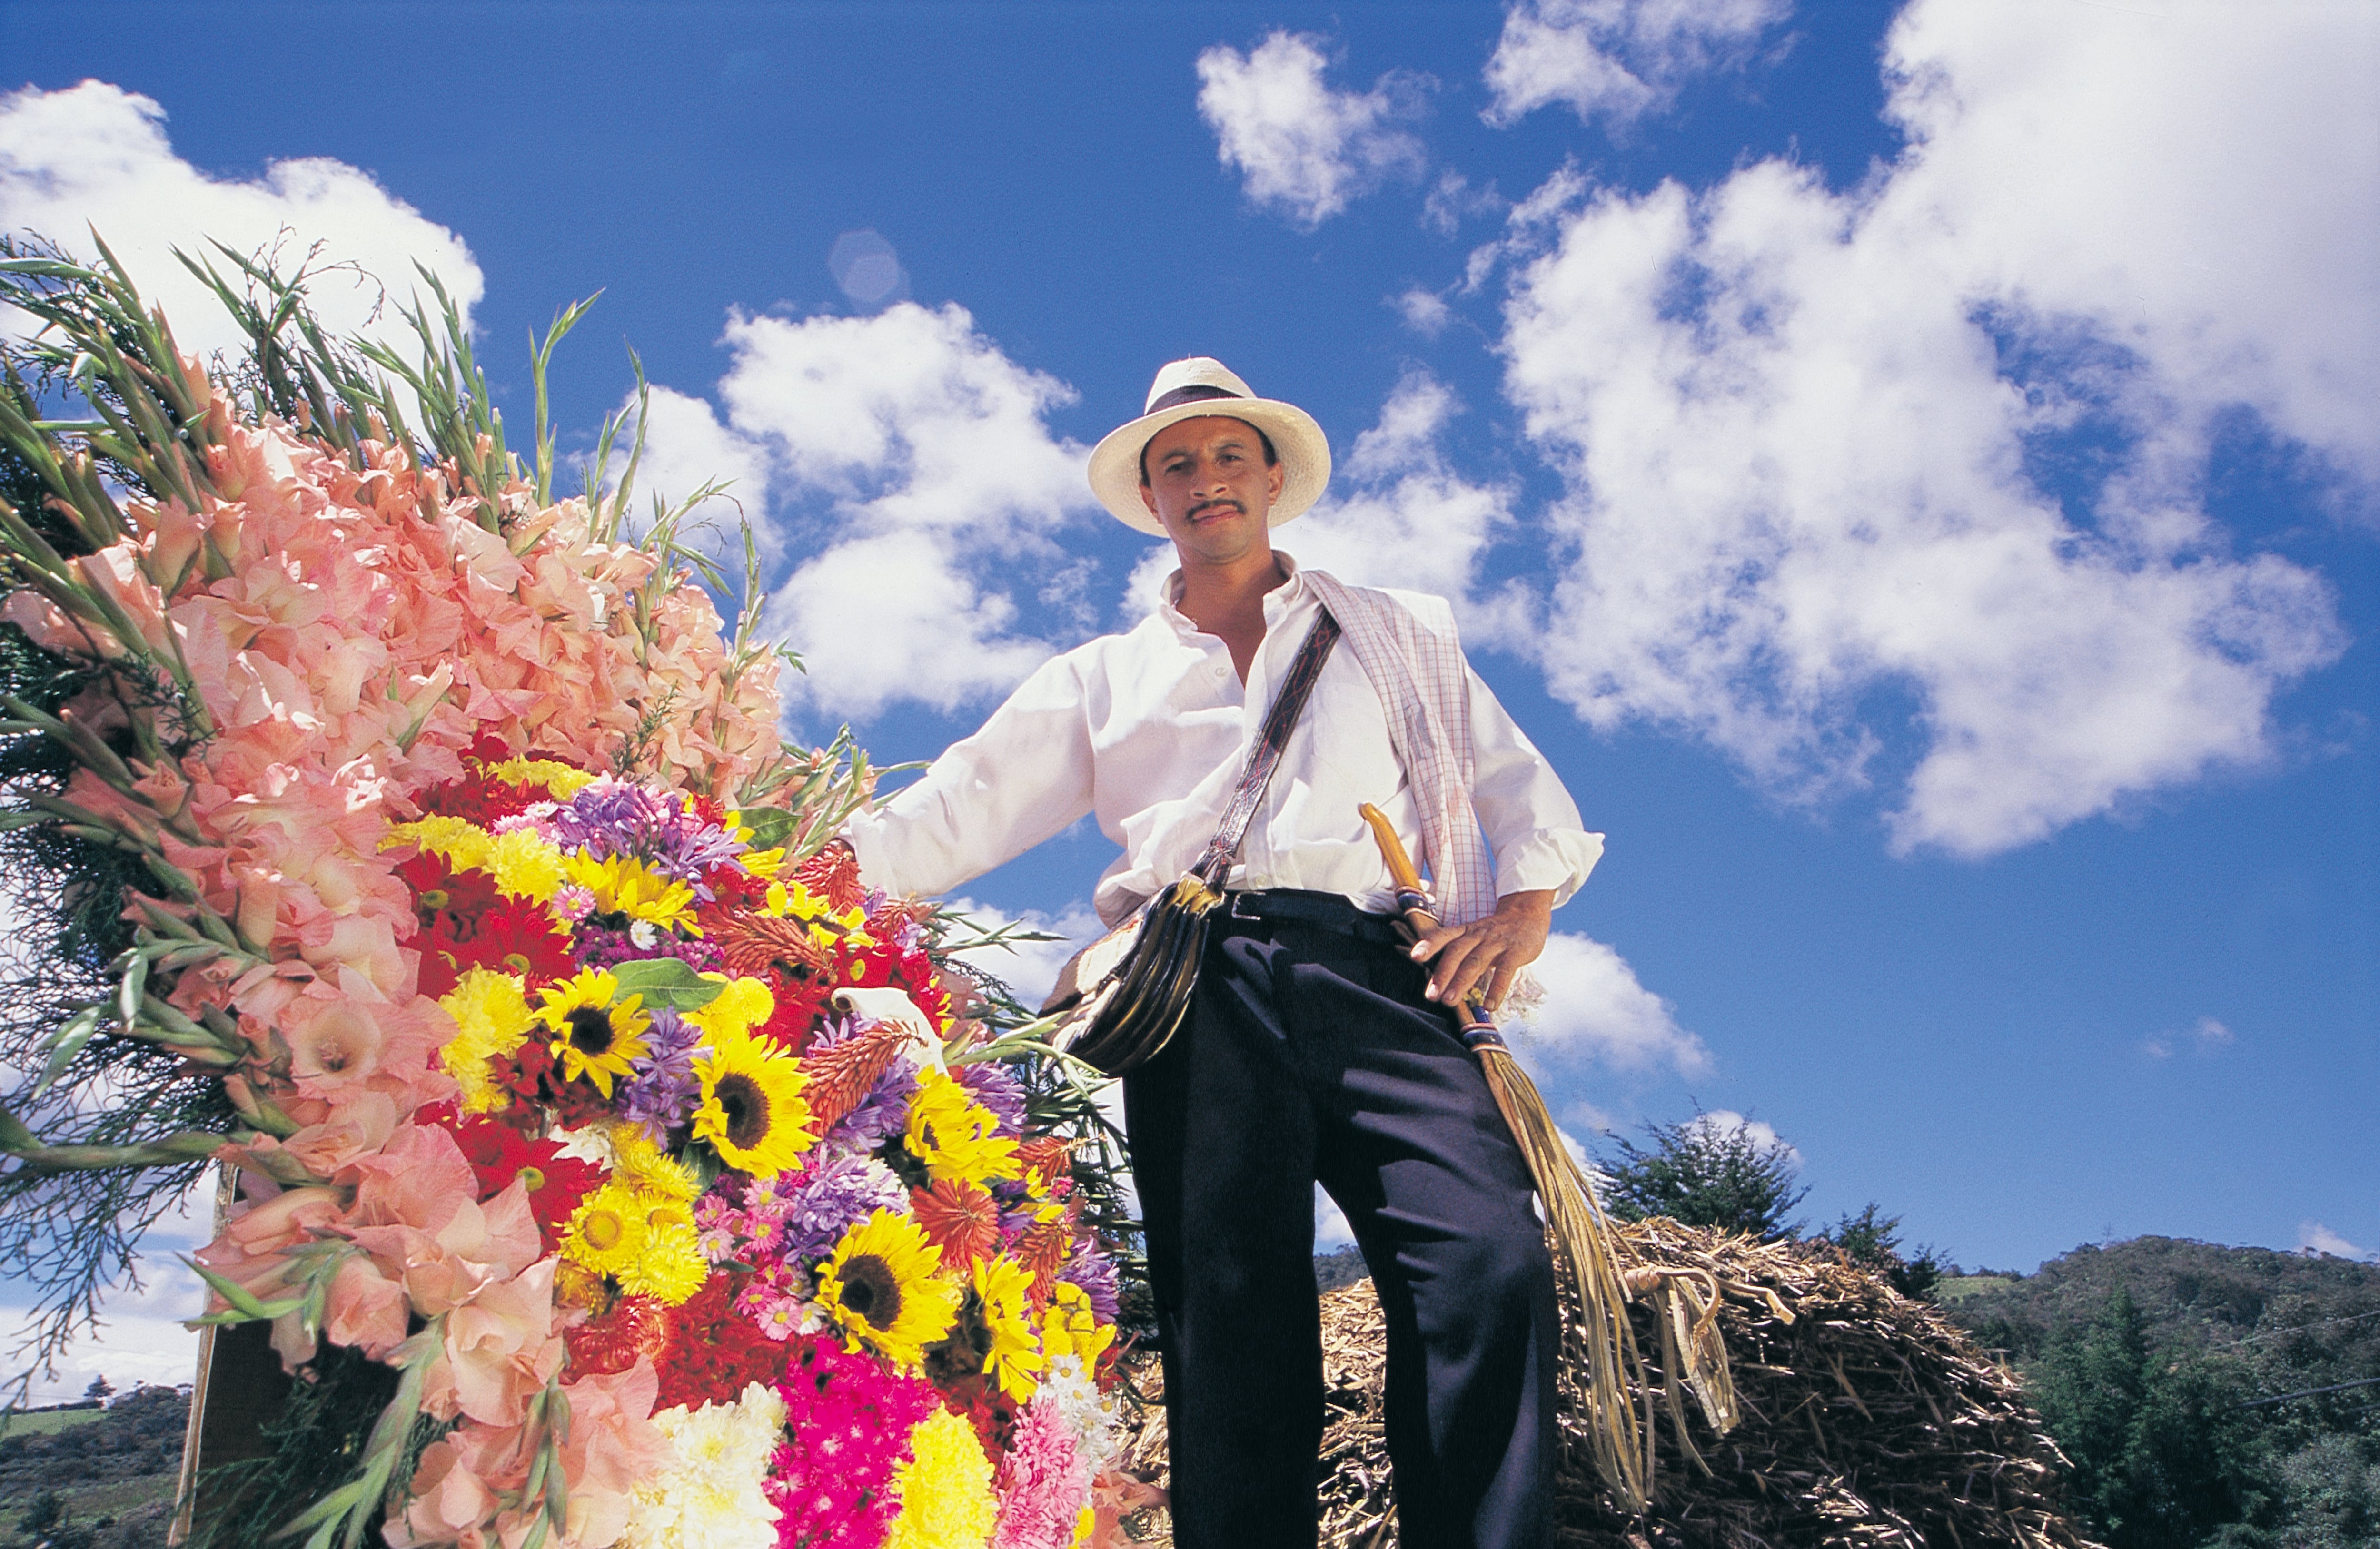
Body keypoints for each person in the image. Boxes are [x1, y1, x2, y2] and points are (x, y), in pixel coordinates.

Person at [839, 357, 1603, 1549]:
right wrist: (780, 860)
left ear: (1273, 477)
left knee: (1487, 1259)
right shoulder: (1102, 678)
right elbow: (952, 810)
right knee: (1232, 1317)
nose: (1207, 478)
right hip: (1197, 985)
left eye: (1228, 455)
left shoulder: (1394, 634)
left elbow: (1517, 785)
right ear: (1153, 499)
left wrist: (1524, 907)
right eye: (1178, 464)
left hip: (1379, 971)